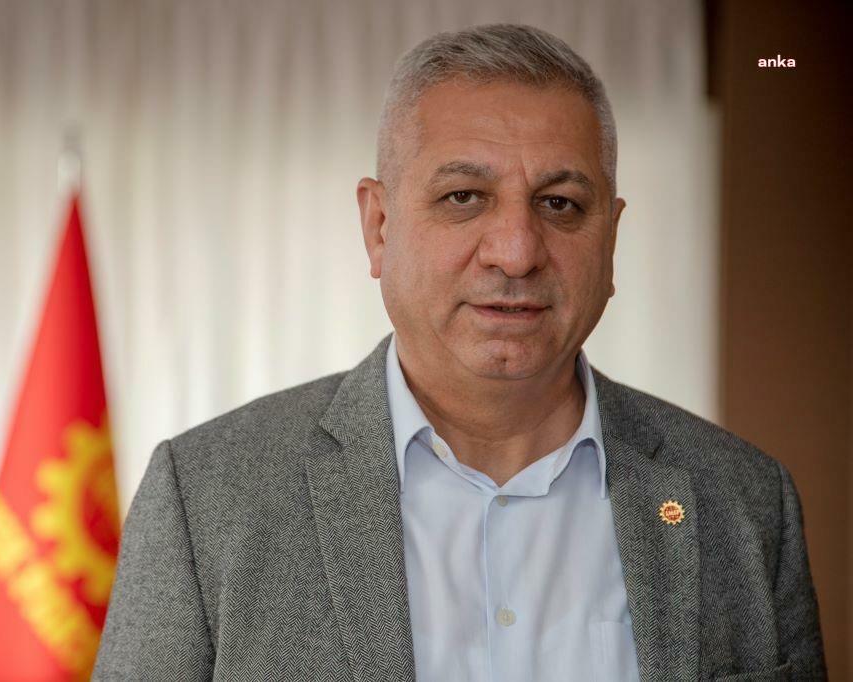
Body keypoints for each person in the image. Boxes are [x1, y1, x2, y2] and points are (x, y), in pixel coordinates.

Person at [93, 24, 826, 681]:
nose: (516, 252)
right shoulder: (207, 499)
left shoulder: (745, 503)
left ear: (610, 238)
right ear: (379, 227)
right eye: (464, 197)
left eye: (561, 204)